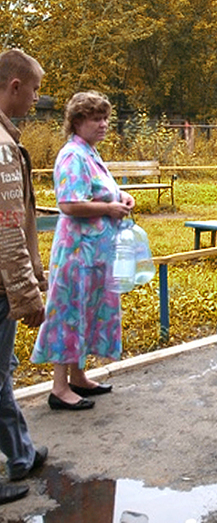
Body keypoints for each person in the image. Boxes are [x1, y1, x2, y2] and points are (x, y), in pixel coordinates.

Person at [31, 91, 135, 411]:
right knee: (68, 314)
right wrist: (109, 208)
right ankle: (59, 388)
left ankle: (79, 377)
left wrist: (122, 198)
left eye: (105, 118)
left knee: (87, 313)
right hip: (76, 253)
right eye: (96, 119)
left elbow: (99, 190)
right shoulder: (72, 154)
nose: (104, 124)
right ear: (77, 122)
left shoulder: (89, 152)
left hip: (94, 253)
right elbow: (69, 203)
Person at [0, 48, 49, 499]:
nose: (36, 98)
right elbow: (9, 229)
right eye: (33, 90)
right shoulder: (2, 146)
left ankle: (20, 454)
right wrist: (27, 293)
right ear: (15, 86)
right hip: (0, 285)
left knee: (3, 370)